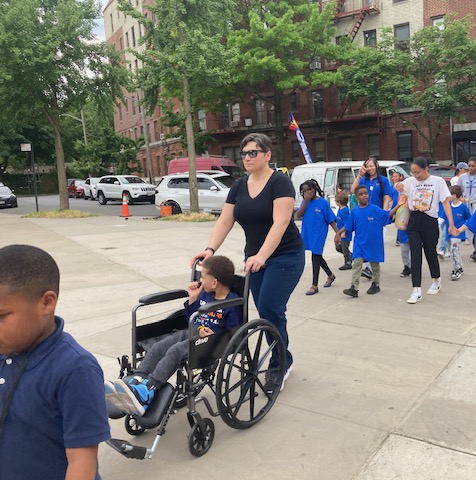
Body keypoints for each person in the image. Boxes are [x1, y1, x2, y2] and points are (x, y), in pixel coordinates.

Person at [191, 133, 304, 394]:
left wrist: (263, 256)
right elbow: (225, 221)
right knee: (264, 312)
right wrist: (209, 249)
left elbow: (281, 222)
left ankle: (280, 364)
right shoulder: (239, 186)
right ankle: (281, 355)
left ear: (267, 155)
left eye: (253, 152)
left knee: (270, 308)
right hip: (254, 258)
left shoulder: (280, 183)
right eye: (244, 154)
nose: (247, 158)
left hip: (285, 256)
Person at [0, 244, 110, 480]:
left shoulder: (75, 370)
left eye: (1, 316)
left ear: (47, 303)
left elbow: (82, 461)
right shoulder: (5, 348)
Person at [107, 256, 243, 415]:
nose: (200, 279)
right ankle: (136, 379)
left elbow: (234, 332)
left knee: (175, 351)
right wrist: (193, 299)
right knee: (160, 346)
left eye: (203, 276)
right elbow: (193, 318)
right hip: (193, 332)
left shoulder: (232, 303)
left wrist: (216, 335)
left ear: (214, 282)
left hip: (209, 342)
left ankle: (148, 389)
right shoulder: (205, 294)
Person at [395, 157, 455, 304]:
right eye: (413, 172)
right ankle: (416, 289)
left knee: (430, 253)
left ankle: (436, 279)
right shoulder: (410, 181)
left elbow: (446, 202)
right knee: (415, 254)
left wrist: (451, 224)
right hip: (413, 220)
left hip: (429, 220)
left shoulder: (438, 181)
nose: (416, 175)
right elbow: (398, 186)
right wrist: (398, 185)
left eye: (418, 172)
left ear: (426, 169)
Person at [335, 185, 405, 297]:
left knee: (374, 264)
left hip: (373, 242)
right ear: (356, 197)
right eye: (361, 194)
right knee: (357, 263)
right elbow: (348, 225)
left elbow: (387, 215)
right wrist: (338, 233)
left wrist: (398, 205)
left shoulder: (375, 209)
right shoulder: (354, 212)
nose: (364, 196)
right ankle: (354, 287)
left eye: (365, 193)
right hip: (359, 243)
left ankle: (375, 284)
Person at [351, 156, 393, 279]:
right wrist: (359, 175)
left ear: (376, 166)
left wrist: (384, 213)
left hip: (376, 214)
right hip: (363, 215)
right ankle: (368, 266)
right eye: (367, 166)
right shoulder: (364, 180)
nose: (370, 168)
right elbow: (353, 191)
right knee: (364, 239)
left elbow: (387, 197)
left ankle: (369, 268)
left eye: (371, 166)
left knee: (374, 241)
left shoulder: (383, 180)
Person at [296, 179, 338, 295]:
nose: (307, 192)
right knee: (317, 256)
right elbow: (298, 214)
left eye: (309, 190)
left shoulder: (323, 203)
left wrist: (337, 233)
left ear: (314, 189)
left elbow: (331, 219)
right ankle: (330, 275)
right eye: (304, 191)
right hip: (308, 233)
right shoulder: (305, 202)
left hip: (319, 233)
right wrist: (305, 201)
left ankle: (314, 285)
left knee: (315, 256)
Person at [443, 185, 471, 280]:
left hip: (458, 234)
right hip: (448, 233)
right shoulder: (448, 206)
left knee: (454, 250)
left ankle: (457, 269)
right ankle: (459, 265)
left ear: (454, 196)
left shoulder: (463, 207)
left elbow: (469, 218)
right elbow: (442, 218)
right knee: (452, 251)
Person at [335, 191, 353, 270]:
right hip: (340, 233)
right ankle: (352, 256)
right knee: (338, 248)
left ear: (339, 202)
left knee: (344, 249)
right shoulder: (340, 209)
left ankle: (348, 263)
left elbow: (346, 224)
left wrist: (343, 233)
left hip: (345, 235)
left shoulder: (345, 211)